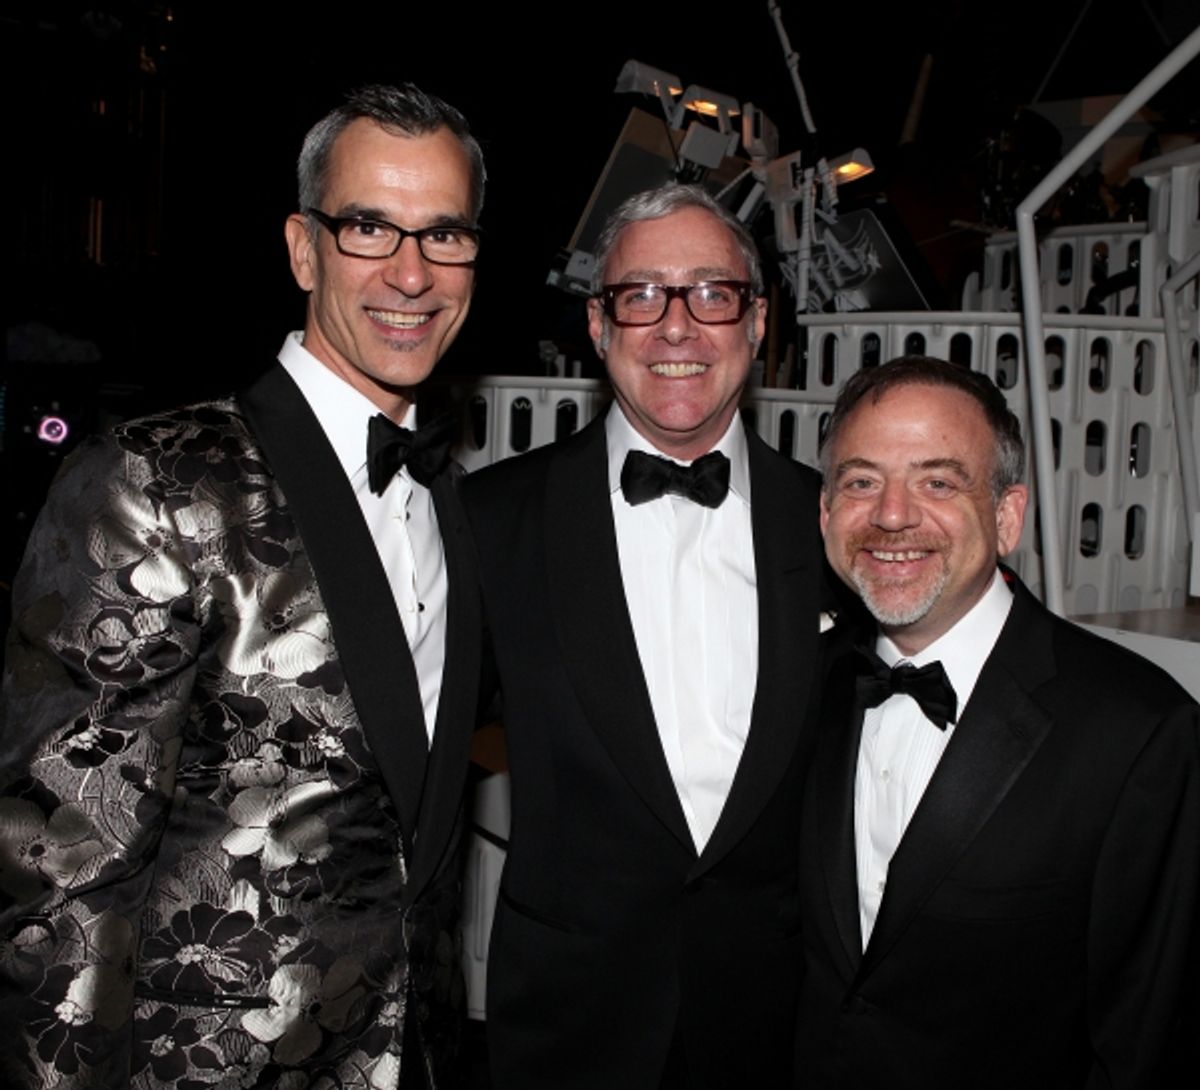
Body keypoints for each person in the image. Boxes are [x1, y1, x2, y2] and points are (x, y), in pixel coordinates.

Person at [0, 83, 487, 1089]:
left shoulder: (451, 493)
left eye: (444, 234)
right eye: (369, 228)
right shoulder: (156, 480)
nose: (411, 271)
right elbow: (62, 870)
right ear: (304, 249)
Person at [461, 184, 823, 1089]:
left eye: (712, 293)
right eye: (642, 294)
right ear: (598, 323)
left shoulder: (834, 525)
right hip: (569, 1030)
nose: (676, 327)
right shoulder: (490, 521)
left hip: (780, 1024)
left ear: (757, 321)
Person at [800, 355, 1200, 1087]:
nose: (891, 513)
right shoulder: (800, 683)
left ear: (1008, 515)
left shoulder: (1140, 732)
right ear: (827, 515)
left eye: (938, 481)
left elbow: (1146, 1037)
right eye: (861, 481)